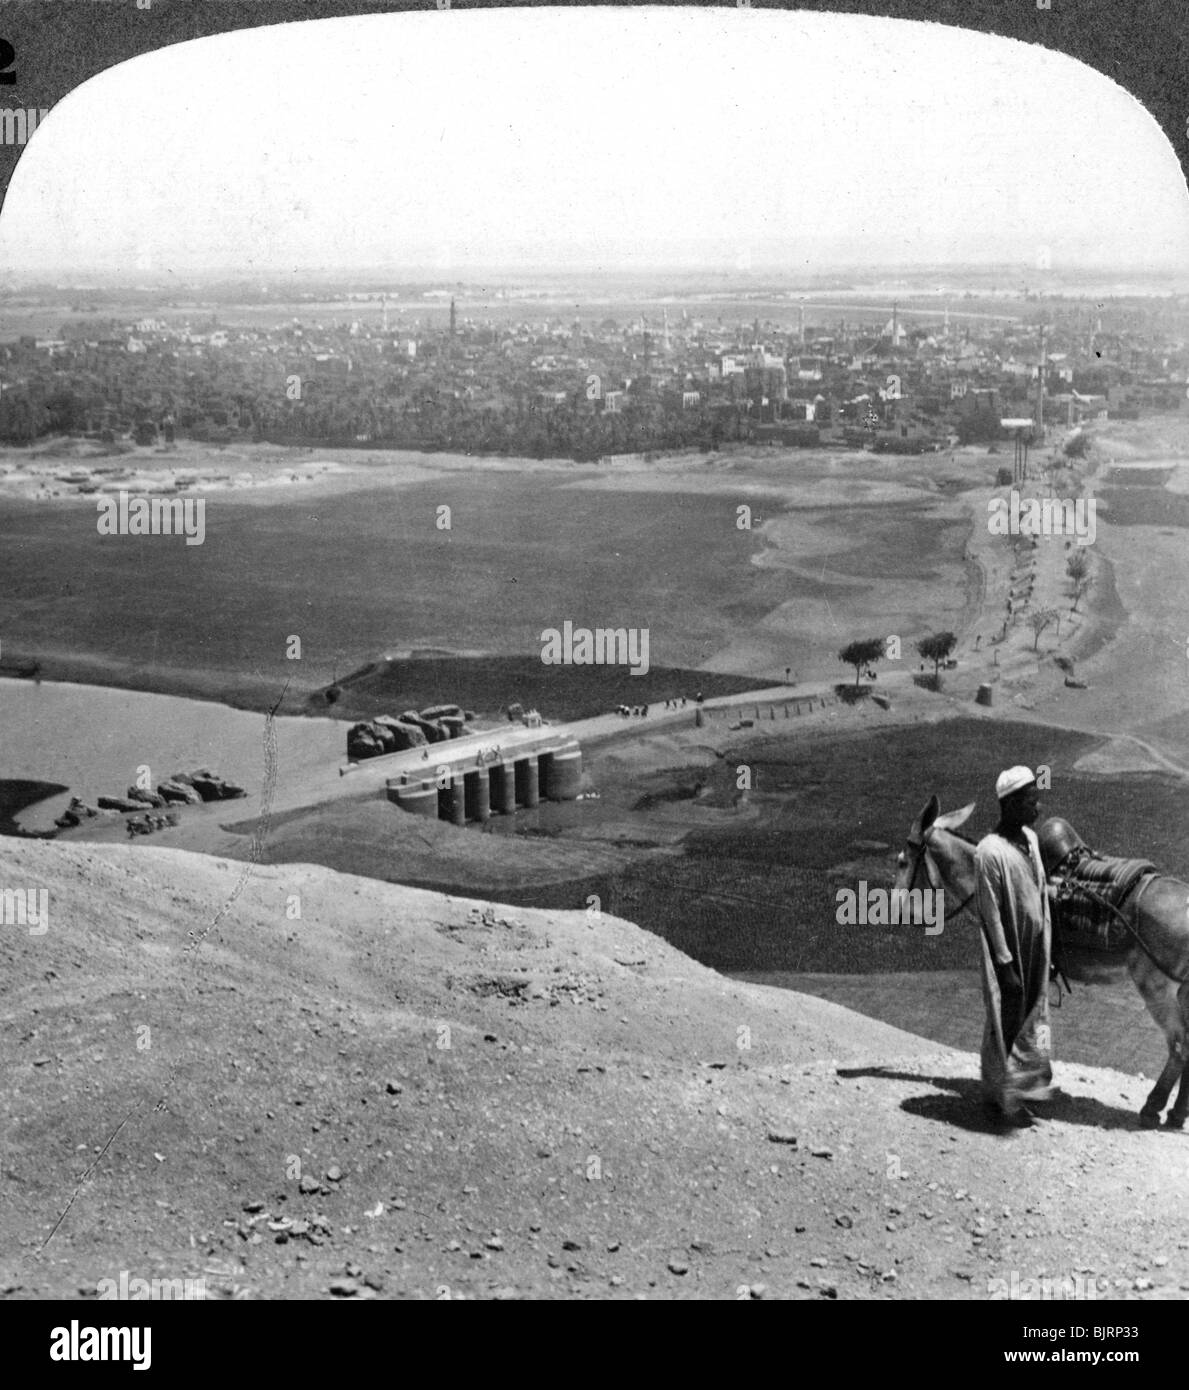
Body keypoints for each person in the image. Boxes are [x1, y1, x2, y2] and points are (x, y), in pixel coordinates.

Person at [974, 766, 1054, 1127]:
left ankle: (1020, 1091)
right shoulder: (988, 852)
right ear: (1009, 805)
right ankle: (997, 1096)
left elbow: (1037, 887)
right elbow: (990, 913)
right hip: (1010, 950)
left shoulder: (1031, 840)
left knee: (1030, 1016)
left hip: (1035, 944)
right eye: (1029, 802)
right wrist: (1004, 964)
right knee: (1005, 1019)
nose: (1036, 808)